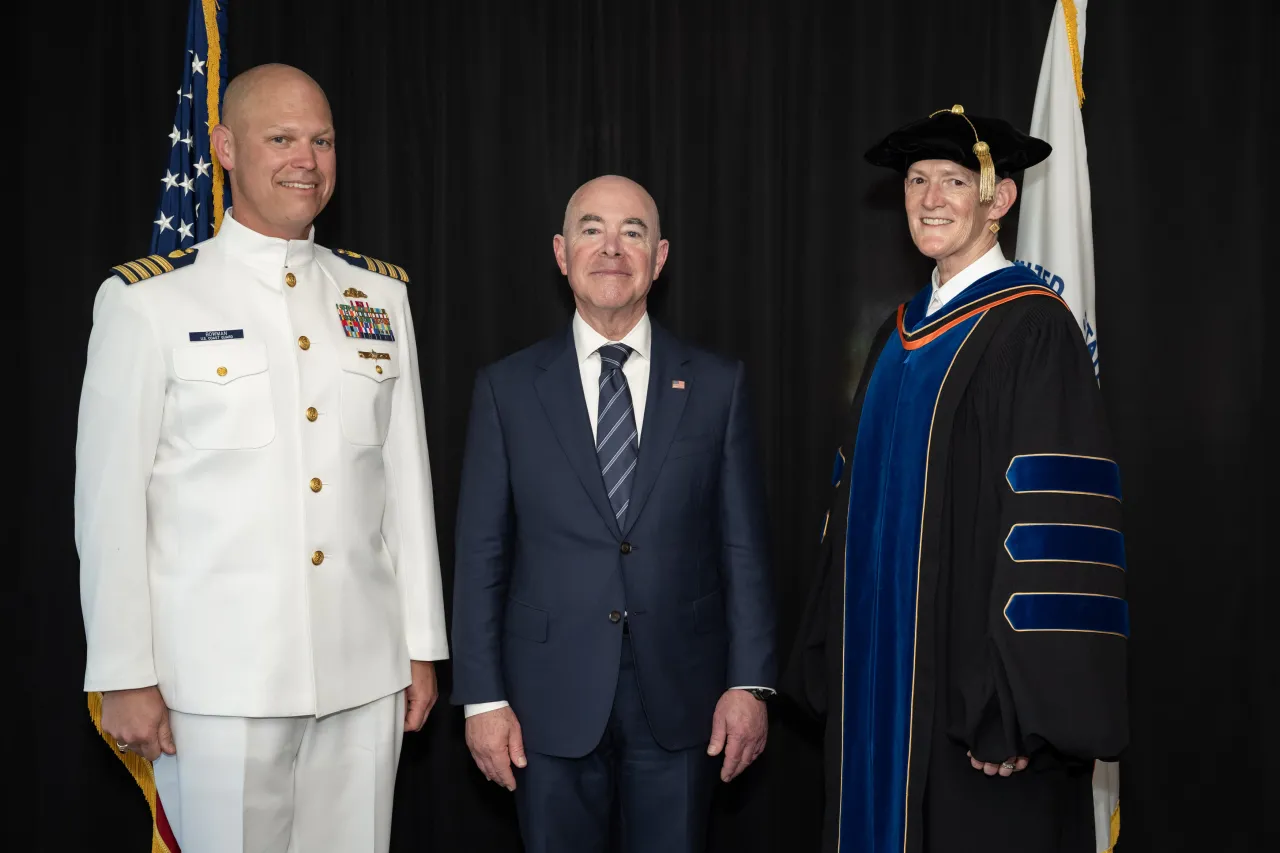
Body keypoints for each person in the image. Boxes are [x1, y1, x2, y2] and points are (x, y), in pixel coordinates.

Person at [74, 63, 448, 853]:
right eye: (280, 138)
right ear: (225, 148)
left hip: (362, 673)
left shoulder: (378, 298)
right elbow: (109, 506)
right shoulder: (148, 302)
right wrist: (122, 671)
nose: (305, 160)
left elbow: (405, 488)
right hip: (216, 684)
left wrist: (420, 645)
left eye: (321, 139)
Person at [784, 106, 1129, 853]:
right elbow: (850, 513)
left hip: (972, 716)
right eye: (916, 180)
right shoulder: (899, 332)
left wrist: (1009, 704)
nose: (930, 198)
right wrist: (829, 656)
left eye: (952, 179)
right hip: (877, 698)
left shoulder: (1034, 327)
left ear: (999, 199)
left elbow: (1052, 534)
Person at [450, 175, 776, 852]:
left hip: (684, 698)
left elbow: (743, 545)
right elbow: (481, 551)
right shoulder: (506, 388)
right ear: (562, 253)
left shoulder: (718, 384)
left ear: (659, 258)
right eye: (592, 229)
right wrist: (481, 697)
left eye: (633, 232)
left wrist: (750, 682)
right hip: (544, 699)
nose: (612, 248)